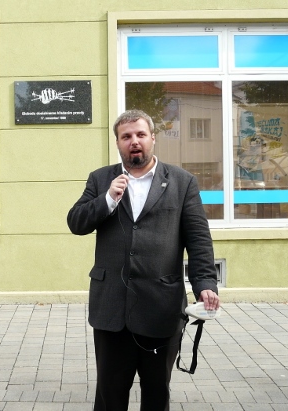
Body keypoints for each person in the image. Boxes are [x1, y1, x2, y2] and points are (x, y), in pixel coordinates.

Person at [67, 109, 220, 411]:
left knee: (156, 393)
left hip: (160, 307)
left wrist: (205, 284)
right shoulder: (101, 179)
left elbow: (198, 239)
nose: (134, 141)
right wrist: (107, 200)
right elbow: (76, 223)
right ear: (118, 143)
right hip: (111, 309)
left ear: (153, 138)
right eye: (126, 136)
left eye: (140, 134)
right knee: (109, 395)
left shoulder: (182, 182)